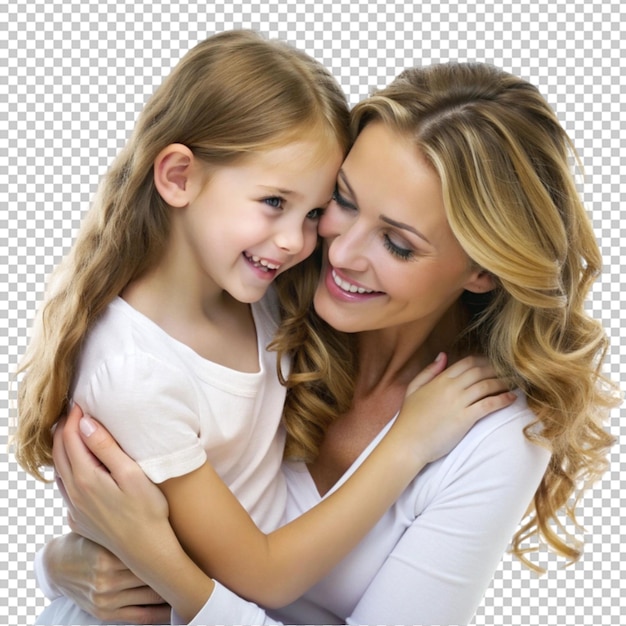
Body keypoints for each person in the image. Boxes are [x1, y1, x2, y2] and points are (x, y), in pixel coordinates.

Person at [36, 61, 618, 625]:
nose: (337, 253)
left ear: (483, 270)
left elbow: (191, 551)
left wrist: (161, 566)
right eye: (342, 200)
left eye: (398, 243)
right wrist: (63, 566)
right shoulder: (265, 292)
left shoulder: (491, 434)